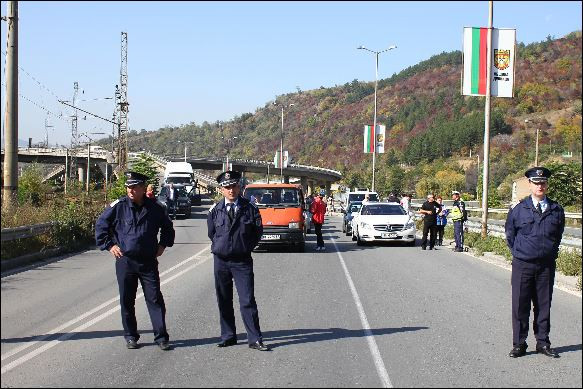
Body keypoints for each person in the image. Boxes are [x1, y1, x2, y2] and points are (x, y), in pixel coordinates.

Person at [95, 171, 175, 351]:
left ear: (142, 188)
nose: (130, 190)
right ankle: (131, 336)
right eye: (128, 187)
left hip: (147, 262)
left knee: (154, 298)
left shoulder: (155, 208)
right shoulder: (118, 206)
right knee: (127, 300)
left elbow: (168, 229)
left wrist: (162, 246)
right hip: (126, 261)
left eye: (134, 187)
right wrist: (110, 246)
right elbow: (101, 226)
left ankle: (161, 337)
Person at [504, 167, 565, 359]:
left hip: (546, 266)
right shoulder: (518, 209)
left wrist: (550, 254)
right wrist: (520, 253)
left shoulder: (556, 209)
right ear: (529, 184)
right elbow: (510, 234)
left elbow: (558, 236)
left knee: (544, 305)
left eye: (543, 182)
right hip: (523, 264)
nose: (540, 186)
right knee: (520, 305)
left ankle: (543, 342)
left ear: (547, 185)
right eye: (536, 183)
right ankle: (519, 344)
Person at [207, 170, 270, 351]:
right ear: (221, 189)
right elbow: (212, 233)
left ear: (239, 187)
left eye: (234, 186)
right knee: (224, 299)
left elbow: (257, 232)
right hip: (221, 261)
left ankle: (255, 338)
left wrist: (244, 247)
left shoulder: (250, 208)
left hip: (242, 261)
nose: (231, 190)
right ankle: (228, 336)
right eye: (227, 187)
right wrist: (223, 247)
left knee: (247, 300)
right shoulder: (215, 210)